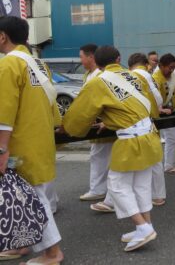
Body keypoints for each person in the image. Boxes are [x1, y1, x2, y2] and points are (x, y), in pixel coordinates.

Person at [62, 46, 162, 252]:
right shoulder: (133, 76)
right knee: (141, 185)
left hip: (131, 141)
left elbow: (78, 116)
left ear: (97, 64)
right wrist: (113, 118)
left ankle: (142, 228)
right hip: (150, 135)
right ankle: (146, 225)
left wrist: (68, 128)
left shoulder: (98, 81)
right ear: (118, 59)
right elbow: (147, 106)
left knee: (116, 185)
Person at [0, 16, 64, 264]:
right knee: (28, 195)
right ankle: (20, 243)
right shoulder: (38, 64)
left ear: (3, 36)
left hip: (20, 143)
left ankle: (52, 253)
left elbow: (4, 113)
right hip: (40, 139)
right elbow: (53, 105)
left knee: (30, 198)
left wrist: (1, 148)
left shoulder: (8, 66)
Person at [78, 43, 115, 202]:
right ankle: (101, 188)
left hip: (104, 122)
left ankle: (99, 189)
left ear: (91, 57)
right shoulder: (88, 74)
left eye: (81, 57)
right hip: (95, 122)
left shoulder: (101, 74)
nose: (81, 61)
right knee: (99, 155)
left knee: (100, 156)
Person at [129, 53, 166, 206]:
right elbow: (158, 99)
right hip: (151, 120)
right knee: (155, 157)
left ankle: (117, 199)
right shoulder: (148, 75)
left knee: (136, 160)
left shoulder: (134, 75)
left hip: (137, 121)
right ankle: (158, 194)